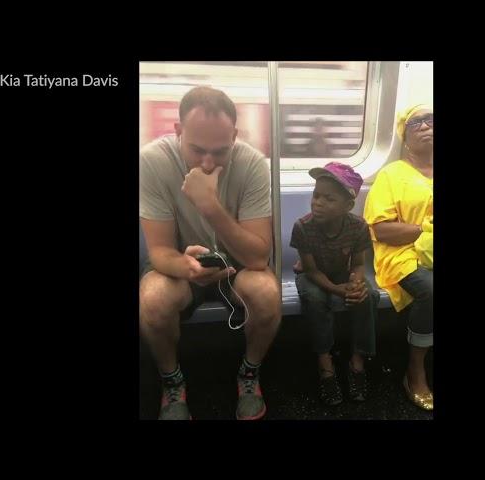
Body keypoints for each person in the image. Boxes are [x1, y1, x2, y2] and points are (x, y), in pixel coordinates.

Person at [139, 86, 281, 420]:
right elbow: (159, 251)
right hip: (180, 264)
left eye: (220, 151)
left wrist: (210, 207)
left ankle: (249, 373)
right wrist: (186, 266)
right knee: (153, 299)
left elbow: (258, 258)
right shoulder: (153, 162)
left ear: (234, 135)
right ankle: (172, 381)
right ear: (177, 132)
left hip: (236, 266)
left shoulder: (252, 164)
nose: (207, 162)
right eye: (197, 150)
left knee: (266, 292)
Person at [363, 104, 434, 411]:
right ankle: (415, 372)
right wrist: (422, 231)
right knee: (430, 290)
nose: (426, 125)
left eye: (431, 120)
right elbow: (382, 230)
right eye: (417, 122)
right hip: (402, 254)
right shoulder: (392, 174)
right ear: (405, 138)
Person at [290, 162, 379, 406]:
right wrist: (337, 290)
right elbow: (311, 270)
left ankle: (357, 362)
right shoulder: (303, 227)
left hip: (341, 274)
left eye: (328, 199)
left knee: (367, 296)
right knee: (316, 298)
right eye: (316, 195)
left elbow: (358, 265)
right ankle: (325, 363)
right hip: (311, 276)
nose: (318, 203)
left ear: (348, 206)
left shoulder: (358, 226)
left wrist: (355, 283)